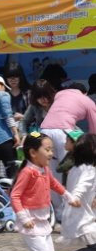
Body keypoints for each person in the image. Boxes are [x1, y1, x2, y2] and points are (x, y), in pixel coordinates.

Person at [0, 133, 79, 251]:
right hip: (29, 221)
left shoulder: (44, 169)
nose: (51, 153)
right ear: (33, 153)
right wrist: (23, 217)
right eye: (47, 149)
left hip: (43, 220)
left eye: (51, 149)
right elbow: (15, 196)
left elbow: (54, 184)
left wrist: (69, 197)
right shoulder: (28, 172)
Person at [40, 82, 96, 214]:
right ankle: (72, 210)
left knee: (52, 174)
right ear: (85, 93)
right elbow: (94, 131)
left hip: (44, 131)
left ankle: (59, 213)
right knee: (71, 171)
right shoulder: (87, 101)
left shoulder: (59, 95)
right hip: (63, 131)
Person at [54, 133, 96, 251]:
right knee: (95, 247)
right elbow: (82, 186)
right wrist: (76, 197)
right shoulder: (88, 169)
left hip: (79, 212)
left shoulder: (77, 167)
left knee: (93, 247)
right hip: (79, 215)